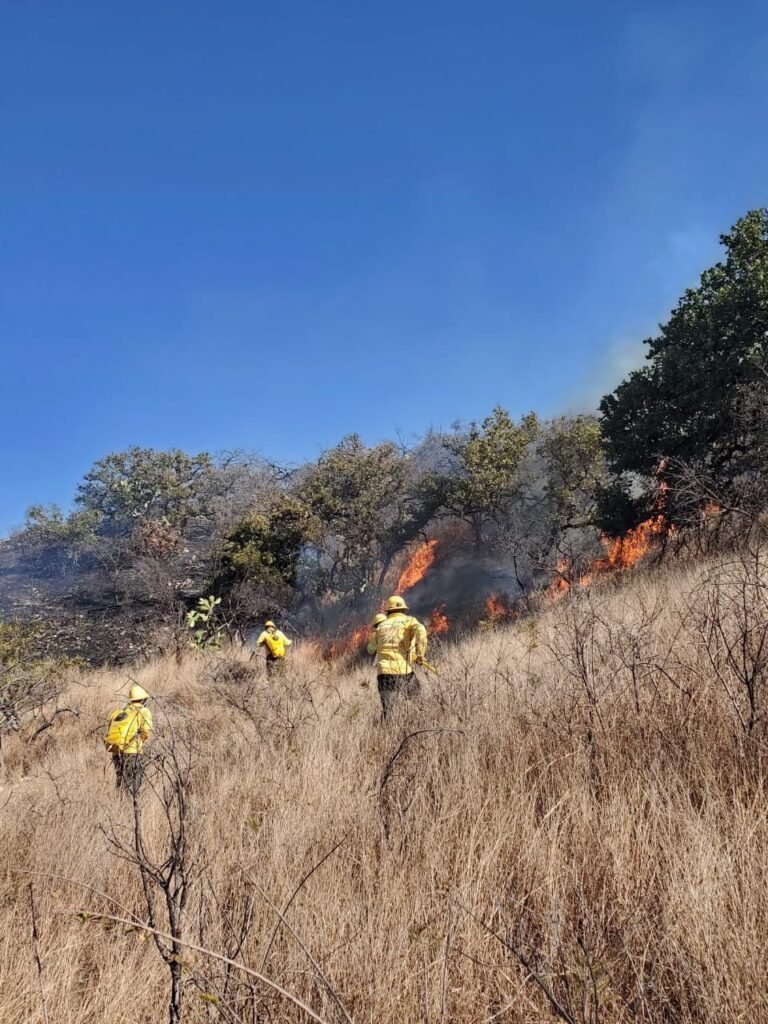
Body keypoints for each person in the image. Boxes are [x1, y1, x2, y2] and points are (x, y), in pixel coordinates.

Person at [367, 595, 428, 718]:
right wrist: (420, 654)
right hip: (403, 672)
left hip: (384, 674)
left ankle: (387, 735)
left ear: (388, 611)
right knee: (419, 704)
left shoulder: (381, 627)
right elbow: (421, 631)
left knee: (388, 712)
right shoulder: (409, 621)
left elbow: (370, 650)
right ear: (404, 610)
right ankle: (418, 726)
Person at [104, 684, 153, 794]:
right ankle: (131, 807)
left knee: (121, 781)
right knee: (133, 785)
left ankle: (119, 805)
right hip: (132, 752)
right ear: (143, 699)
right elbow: (146, 733)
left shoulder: (119, 712)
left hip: (116, 752)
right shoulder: (144, 711)